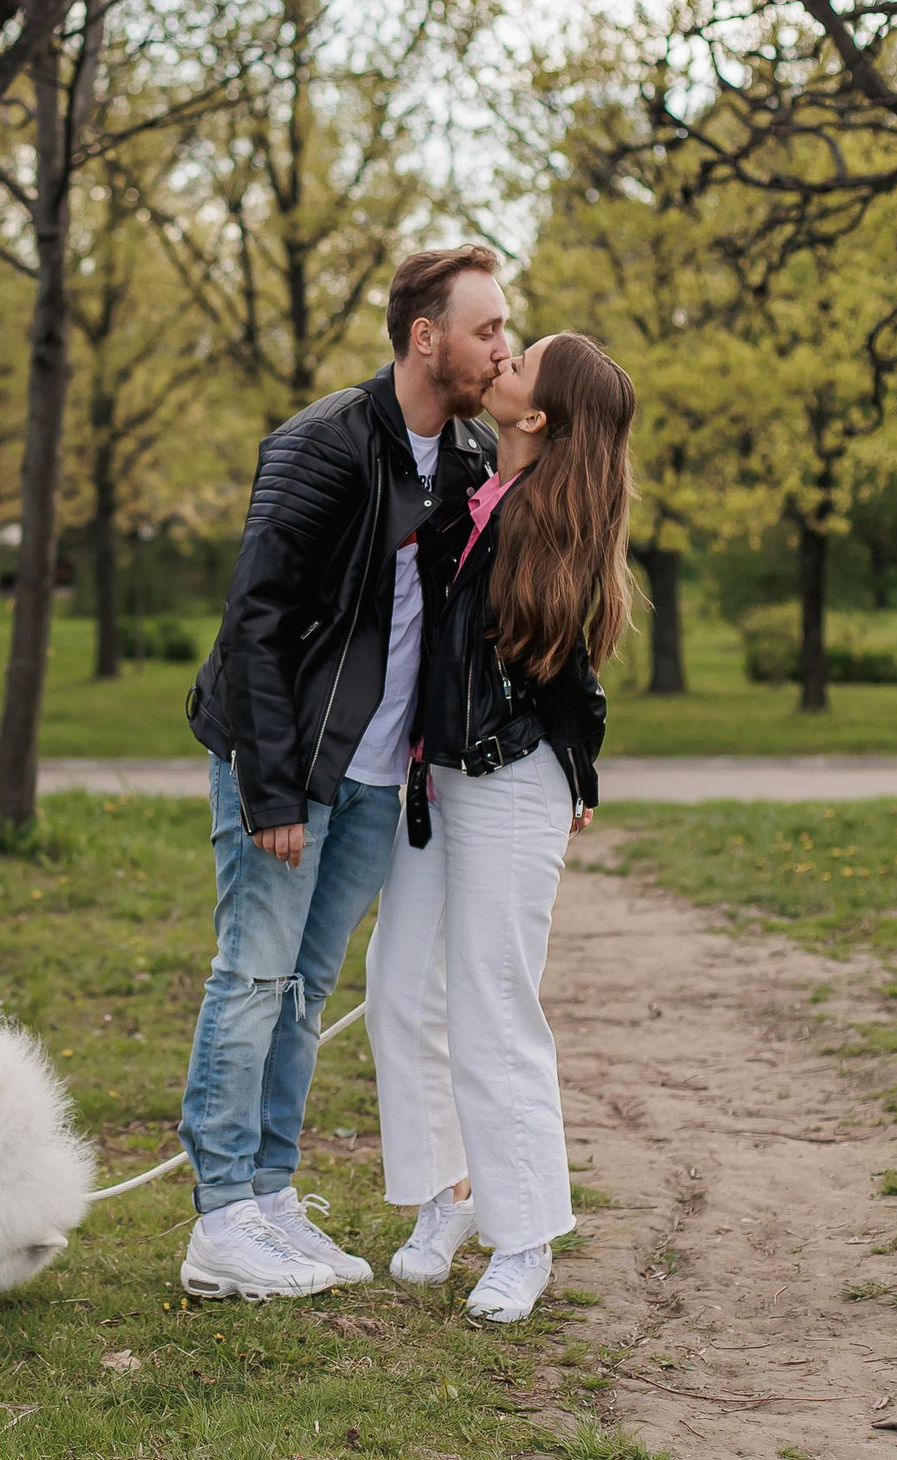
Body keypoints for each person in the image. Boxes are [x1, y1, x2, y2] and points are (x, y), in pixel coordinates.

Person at [174, 245, 514, 1300]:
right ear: (426, 338)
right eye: (487, 329)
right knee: (252, 975)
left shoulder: (461, 455)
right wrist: (273, 790)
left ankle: (271, 1195)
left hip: (376, 779)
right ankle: (218, 1215)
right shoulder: (320, 445)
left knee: (306, 987)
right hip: (291, 766)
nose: (502, 347)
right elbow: (257, 627)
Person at [364, 331, 632, 1323]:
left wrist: (574, 764)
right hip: (443, 779)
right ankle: (449, 1195)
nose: (500, 360)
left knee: (491, 1004)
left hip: (510, 784)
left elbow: (563, 674)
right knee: (398, 985)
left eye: (518, 363)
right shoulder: (485, 489)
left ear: (537, 418)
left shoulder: (550, 525)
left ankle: (523, 1238)